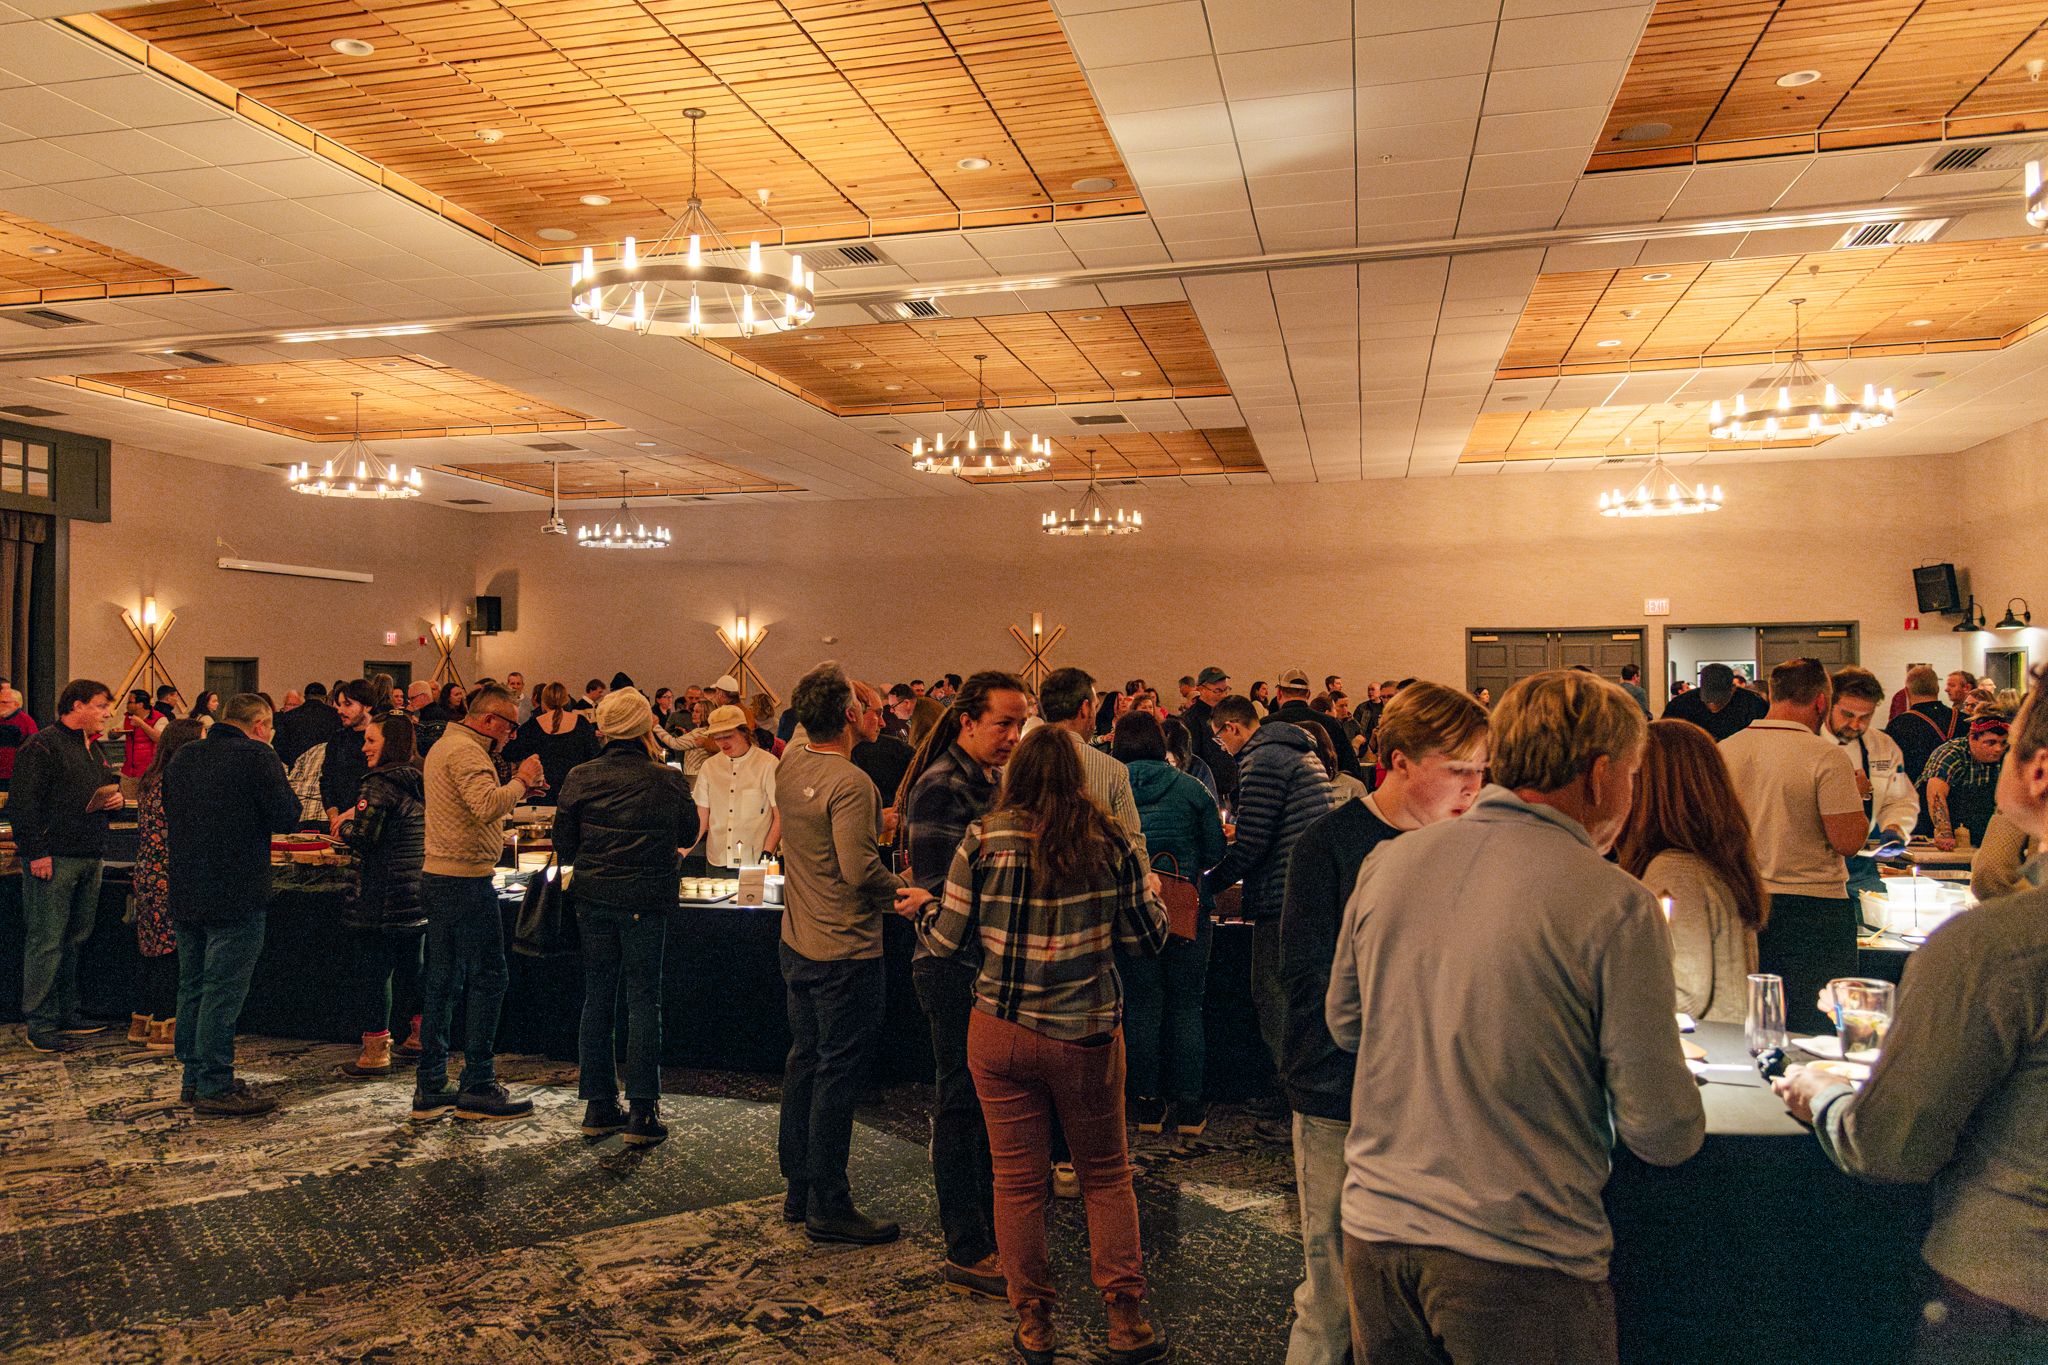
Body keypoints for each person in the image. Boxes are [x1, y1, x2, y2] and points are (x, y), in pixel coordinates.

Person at [1328, 669, 1703, 1363]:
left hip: (1377, 1232)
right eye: (1631, 774)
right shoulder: (1615, 902)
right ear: (1600, 776)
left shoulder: (1390, 863)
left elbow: (1346, 1024)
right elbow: (1661, 1128)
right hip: (1520, 1251)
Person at [1772, 666, 2048, 1362]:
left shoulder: (1996, 946)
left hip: (2007, 1289)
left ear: (2037, 771)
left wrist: (1823, 1092)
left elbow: (1891, 1145)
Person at [906, 725, 1173, 1365]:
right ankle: (1125, 1321)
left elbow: (945, 941)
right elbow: (1147, 941)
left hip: (999, 1030)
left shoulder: (983, 838)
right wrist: (1154, 899)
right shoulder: (1110, 839)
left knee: (1016, 1182)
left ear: (1019, 774)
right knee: (1105, 1176)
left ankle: (1034, 1324)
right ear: (1078, 778)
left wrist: (922, 909)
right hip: (1086, 1032)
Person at [1279, 682, 1487, 1365]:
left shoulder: (1466, 845)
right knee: (1333, 1299)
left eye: (1482, 770)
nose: (1474, 786)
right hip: (1342, 1099)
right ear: (1399, 761)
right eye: (1458, 769)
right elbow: (1307, 983)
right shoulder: (1332, 844)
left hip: (1441, 1107)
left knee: (1416, 1311)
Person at [901, 669, 1030, 1301]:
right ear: (967, 722)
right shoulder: (941, 787)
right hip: (951, 964)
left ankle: (990, 1229)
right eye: (1003, 723)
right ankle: (966, 1245)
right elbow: (942, 897)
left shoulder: (989, 780)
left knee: (984, 1104)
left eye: (1020, 724)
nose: (1013, 736)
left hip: (985, 963)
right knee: (959, 1101)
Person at [774, 662, 908, 1244]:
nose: (878, 715)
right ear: (851, 716)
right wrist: (902, 888)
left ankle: (798, 1188)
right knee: (837, 1075)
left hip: (798, 940)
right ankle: (829, 1202)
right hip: (846, 949)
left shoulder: (791, 763)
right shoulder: (852, 783)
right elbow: (858, 871)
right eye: (871, 707)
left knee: (805, 1061)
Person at [554, 688, 697, 1147]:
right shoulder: (666, 778)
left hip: (592, 898)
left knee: (597, 997)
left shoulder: (580, 776)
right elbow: (689, 831)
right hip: (646, 899)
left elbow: (564, 844)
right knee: (643, 1000)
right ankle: (642, 1111)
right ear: (643, 727)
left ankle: (598, 1106)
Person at [412, 684, 547, 1123]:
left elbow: (470, 808)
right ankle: (479, 1083)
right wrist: (521, 779)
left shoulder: (445, 746)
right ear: (488, 720)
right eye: (509, 725)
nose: (511, 734)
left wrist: (517, 791)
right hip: (465, 880)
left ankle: (432, 1082)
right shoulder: (468, 752)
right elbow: (486, 805)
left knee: (444, 980)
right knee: (490, 977)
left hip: (439, 875)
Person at [165, 694, 301, 1116]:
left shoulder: (185, 755)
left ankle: (193, 1078)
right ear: (260, 725)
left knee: (192, 986)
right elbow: (288, 816)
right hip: (236, 891)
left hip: (186, 887)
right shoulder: (257, 756)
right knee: (222, 992)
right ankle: (214, 1084)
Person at [1717, 657, 1866, 1033]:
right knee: (1815, 1030)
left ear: (1771, 695)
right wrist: (1859, 795)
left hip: (1742, 900)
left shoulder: (1725, 749)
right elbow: (1848, 841)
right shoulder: (1826, 756)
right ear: (1821, 702)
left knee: (1753, 1024)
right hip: (1813, 910)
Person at [1203, 694, 1336, 1111]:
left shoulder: (1261, 759)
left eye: (1220, 738)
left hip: (1283, 893)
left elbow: (1253, 843)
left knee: (1271, 993)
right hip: (1311, 889)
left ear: (1232, 727)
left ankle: (1291, 1091)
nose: (1221, 747)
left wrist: (1209, 884)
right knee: (1302, 995)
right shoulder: (1296, 750)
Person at [1112, 709, 1227, 1138]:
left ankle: (1147, 1106)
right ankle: (1191, 1109)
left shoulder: (1111, 788)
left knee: (1141, 1007)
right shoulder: (1192, 787)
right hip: (1186, 911)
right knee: (1186, 1006)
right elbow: (1215, 851)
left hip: (1131, 912)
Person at [1616, 720, 1768, 1024]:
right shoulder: (1711, 863)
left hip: (1702, 1044)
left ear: (1648, 787)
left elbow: (1684, 992)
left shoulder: (1675, 872)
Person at [13, 678, 122, 1052]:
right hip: (55, 858)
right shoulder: (41, 745)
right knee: (47, 941)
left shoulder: (94, 748)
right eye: (101, 705)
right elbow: (23, 805)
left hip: (89, 853)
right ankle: (40, 1022)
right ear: (77, 705)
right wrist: (36, 853)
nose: (108, 713)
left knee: (75, 939)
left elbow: (98, 789)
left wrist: (114, 801)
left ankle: (67, 1012)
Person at [336, 714, 428, 1079]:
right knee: (413, 969)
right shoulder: (421, 780)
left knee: (375, 975)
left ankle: (374, 1053)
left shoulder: (377, 784)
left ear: (390, 744)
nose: (364, 747)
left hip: (379, 896)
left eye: (371, 740)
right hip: (414, 894)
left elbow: (365, 837)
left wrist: (345, 826)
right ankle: (419, 1037)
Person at [130, 718, 205, 1052]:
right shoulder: (177, 781)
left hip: (148, 870)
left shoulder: (150, 778)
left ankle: (141, 1020)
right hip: (170, 873)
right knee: (170, 950)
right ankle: (165, 1025)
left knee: (150, 948)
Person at [1825, 666, 1919, 915]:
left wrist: (1894, 827)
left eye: (1865, 717)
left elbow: (1900, 798)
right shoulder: (1809, 744)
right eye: (1847, 714)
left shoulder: (1883, 746)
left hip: (1863, 867)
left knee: (1877, 925)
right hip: (1816, 868)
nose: (1856, 724)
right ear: (1828, 704)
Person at [692, 703, 779, 873]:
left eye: (728, 736)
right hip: (717, 860)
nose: (722, 743)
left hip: (755, 860)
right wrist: (683, 850)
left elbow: (779, 815)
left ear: (745, 732)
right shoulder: (709, 766)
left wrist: (767, 853)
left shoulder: (768, 764)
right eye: (717, 738)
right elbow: (701, 817)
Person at [1923, 713, 2012, 852]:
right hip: (1931, 834)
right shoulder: (1952, 753)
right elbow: (1936, 795)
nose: (1998, 749)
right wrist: (1944, 833)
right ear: (1972, 738)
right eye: (1991, 742)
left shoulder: (2007, 756)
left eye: (2003, 743)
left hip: (1977, 836)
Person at [504, 682, 600, 806]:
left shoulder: (532, 726)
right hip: (575, 792)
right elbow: (595, 756)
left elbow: (509, 753)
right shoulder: (581, 723)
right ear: (566, 700)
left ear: (543, 701)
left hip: (542, 792)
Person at [1265, 669, 1362, 779]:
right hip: (1324, 786)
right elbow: (1351, 767)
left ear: (1279, 693)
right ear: (1308, 694)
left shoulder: (1266, 724)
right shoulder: (1331, 723)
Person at [850, 680, 914, 826]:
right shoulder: (897, 749)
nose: (883, 723)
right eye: (877, 714)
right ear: (853, 713)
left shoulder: (898, 750)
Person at [1886, 664, 1958, 790]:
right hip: (1959, 797)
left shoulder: (1898, 725)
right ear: (1937, 689)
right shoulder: (1962, 719)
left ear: (1907, 692)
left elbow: (1891, 769)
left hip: (1916, 795)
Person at [320, 680, 377, 833]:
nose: (340, 710)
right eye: (339, 704)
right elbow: (326, 780)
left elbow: (382, 788)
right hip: (341, 823)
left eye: (347, 704)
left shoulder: (382, 737)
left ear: (367, 706)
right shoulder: (338, 738)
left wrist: (353, 814)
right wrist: (334, 817)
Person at [1661, 662, 1766, 741]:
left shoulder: (1752, 704)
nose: (1713, 704)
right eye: (1708, 697)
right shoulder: (1680, 705)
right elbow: (1665, 737)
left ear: (1733, 689)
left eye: (1719, 698)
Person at [1181, 666, 1238, 800]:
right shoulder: (1191, 719)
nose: (1223, 695)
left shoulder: (1229, 714)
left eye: (1226, 690)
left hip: (1232, 790)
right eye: (1218, 691)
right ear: (1201, 689)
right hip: (1209, 792)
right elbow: (1194, 760)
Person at [272, 680, 339, 768]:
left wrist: (294, 761)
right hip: (327, 767)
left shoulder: (288, 717)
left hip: (297, 768)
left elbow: (279, 747)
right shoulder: (335, 715)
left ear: (305, 698)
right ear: (325, 698)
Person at [0, 679, 37, 792]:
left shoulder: (26, 722)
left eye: (4, 702)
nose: (0, 705)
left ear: (16, 704)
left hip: (14, 777)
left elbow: (33, 751)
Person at [121, 689, 164, 783]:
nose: (127, 705)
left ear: (140, 704)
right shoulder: (127, 718)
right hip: (128, 771)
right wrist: (114, 733)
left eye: (130, 702)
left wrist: (141, 723)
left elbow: (160, 739)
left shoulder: (159, 718)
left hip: (150, 772)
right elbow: (113, 734)